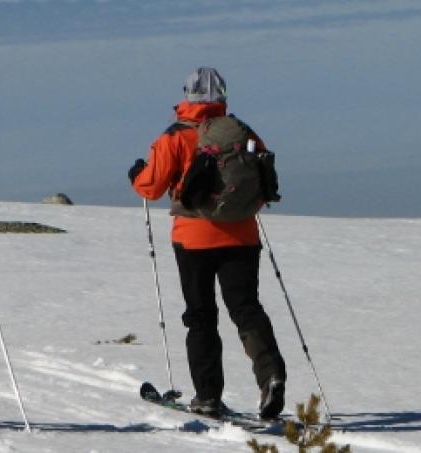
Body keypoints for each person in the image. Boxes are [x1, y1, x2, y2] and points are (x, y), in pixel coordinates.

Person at [128, 67, 287, 420]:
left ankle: (208, 396)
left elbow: (150, 188)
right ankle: (271, 376)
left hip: (194, 239)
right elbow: (262, 180)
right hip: (242, 234)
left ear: (187, 96)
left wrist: (136, 173)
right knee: (246, 309)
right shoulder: (242, 133)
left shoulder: (174, 137)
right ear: (223, 96)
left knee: (201, 317)